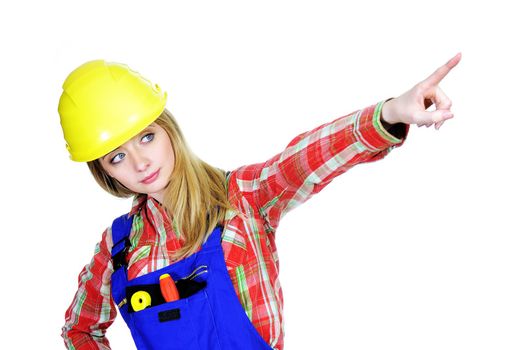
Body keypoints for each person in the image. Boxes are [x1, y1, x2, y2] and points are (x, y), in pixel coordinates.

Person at [59, 53, 461, 350]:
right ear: (105, 172)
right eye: (117, 156)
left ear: (168, 130)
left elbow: (304, 160)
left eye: (146, 137)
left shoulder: (243, 199)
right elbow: (80, 330)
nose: (140, 162)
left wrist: (390, 113)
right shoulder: (119, 247)